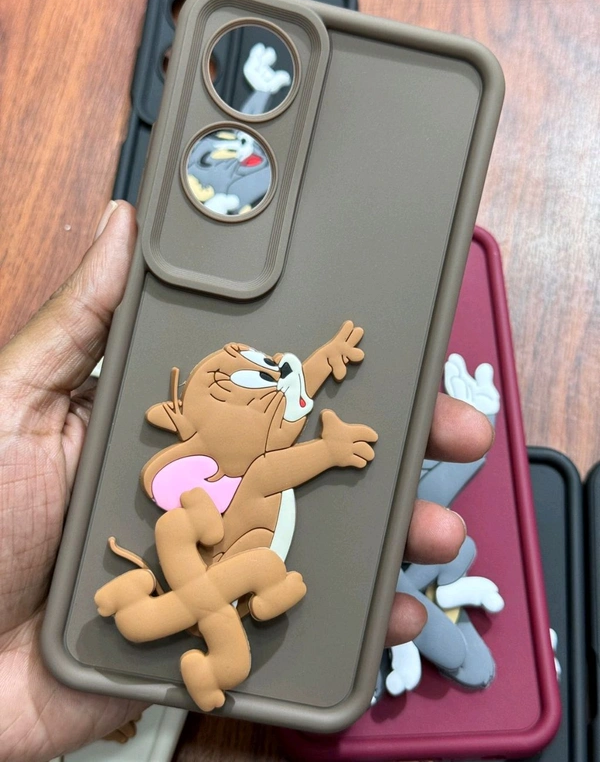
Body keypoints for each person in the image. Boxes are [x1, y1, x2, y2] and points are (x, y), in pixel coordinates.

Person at [0, 201, 494, 762]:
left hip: (222, 574)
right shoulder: (251, 471)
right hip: (233, 569)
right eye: (250, 378)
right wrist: (329, 451)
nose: (276, 373)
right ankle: (223, 610)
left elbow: (284, 399)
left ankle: (167, 607)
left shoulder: (244, 460)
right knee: (235, 597)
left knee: (215, 613)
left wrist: (323, 360)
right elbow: (278, 445)